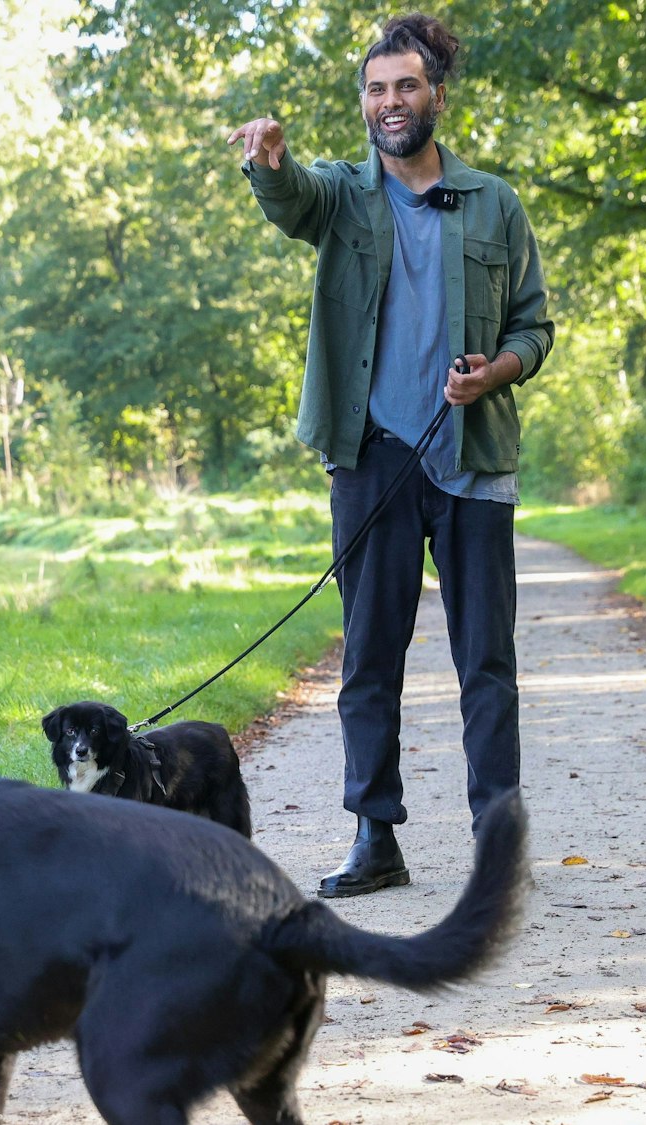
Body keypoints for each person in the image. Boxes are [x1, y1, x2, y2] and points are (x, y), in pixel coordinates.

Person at [227, 13, 553, 898]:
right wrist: (269, 161)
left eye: (406, 85)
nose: (391, 102)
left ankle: (499, 840)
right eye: (376, 89)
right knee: (369, 655)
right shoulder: (341, 193)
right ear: (365, 105)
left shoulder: (494, 202)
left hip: (474, 458)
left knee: (485, 657)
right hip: (371, 459)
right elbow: (292, 200)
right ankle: (376, 837)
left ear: (436, 95)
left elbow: (535, 324)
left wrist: (496, 373)